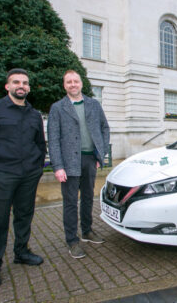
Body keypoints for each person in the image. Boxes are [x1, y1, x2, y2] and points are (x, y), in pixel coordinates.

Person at [0, 68, 46, 289]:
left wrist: (38, 167)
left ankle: (21, 252)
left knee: (24, 215)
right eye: (16, 82)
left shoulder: (34, 114)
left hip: (28, 176)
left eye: (24, 82)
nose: (21, 85)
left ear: (29, 87)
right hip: (1, 175)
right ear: (7, 86)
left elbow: (40, 144)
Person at [48, 70, 110, 259]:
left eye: (76, 81)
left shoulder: (93, 104)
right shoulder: (58, 108)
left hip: (90, 159)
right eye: (69, 82)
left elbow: (104, 128)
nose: (73, 84)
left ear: (81, 83)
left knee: (88, 197)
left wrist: (101, 153)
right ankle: (72, 241)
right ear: (64, 85)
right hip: (68, 163)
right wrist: (58, 166)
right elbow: (53, 138)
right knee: (70, 202)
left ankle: (87, 231)